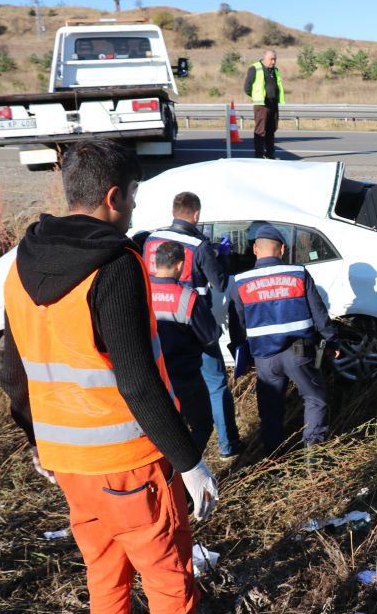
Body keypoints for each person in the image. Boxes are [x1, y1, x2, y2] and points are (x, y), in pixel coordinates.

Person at [0, 138, 217, 614]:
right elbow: (137, 380)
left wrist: (37, 440)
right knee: (167, 579)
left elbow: (12, 370)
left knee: (105, 572)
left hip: (67, 464)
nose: (137, 206)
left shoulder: (20, 264)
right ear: (114, 196)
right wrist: (189, 462)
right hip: (129, 465)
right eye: (136, 195)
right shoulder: (116, 265)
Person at [140, 192, 243, 459]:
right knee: (216, 383)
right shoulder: (199, 245)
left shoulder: (152, 240)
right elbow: (220, 283)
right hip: (193, 320)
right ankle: (227, 446)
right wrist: (222, 257)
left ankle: (166, 447)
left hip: (157, 322)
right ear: (196, 215)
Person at [227, 223, 336, 454]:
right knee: (315, 399)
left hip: (264, 357)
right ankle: (313, 456)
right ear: (283, 249)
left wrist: (241, 354)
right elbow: (318, 312)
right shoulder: (298, 273)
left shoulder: (240, 282)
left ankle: (274, 457)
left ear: (256, 249)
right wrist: (330, 340)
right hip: (299, 352)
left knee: (270, 409)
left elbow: (237, 326)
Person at [151, 241, 222, 455]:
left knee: (162, 432)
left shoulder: (140, 292)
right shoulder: (187, 298)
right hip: (185, 378)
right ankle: (186, 469)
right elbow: (209, 337)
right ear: (180, 265)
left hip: (153, 377)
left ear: (155, 263)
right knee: (202, 425)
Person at [244, 49, 286, 159]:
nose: (273, 62)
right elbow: (247, 88)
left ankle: (270, 155)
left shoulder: (275, 70)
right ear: (264, 58)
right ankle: (258, 155)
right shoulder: (255, 68)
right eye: (271, 59)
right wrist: (257, 97)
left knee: (271, 130)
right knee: (260, 131)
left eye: (275, 59)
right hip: (262, 105)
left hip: (273, 104)